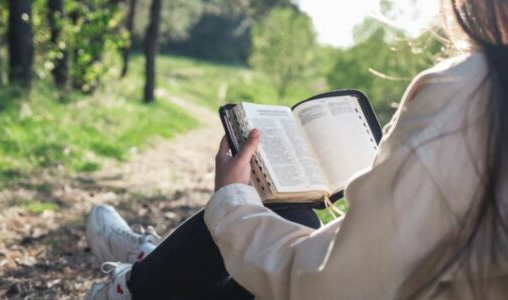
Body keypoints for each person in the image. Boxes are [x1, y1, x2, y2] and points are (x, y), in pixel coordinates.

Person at [85, 0, 508, 299]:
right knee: (295, 212)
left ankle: (137, 283)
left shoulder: (470, 94)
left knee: (266, 212)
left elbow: (333, 286)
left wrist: (231, 200)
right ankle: (154, 263)